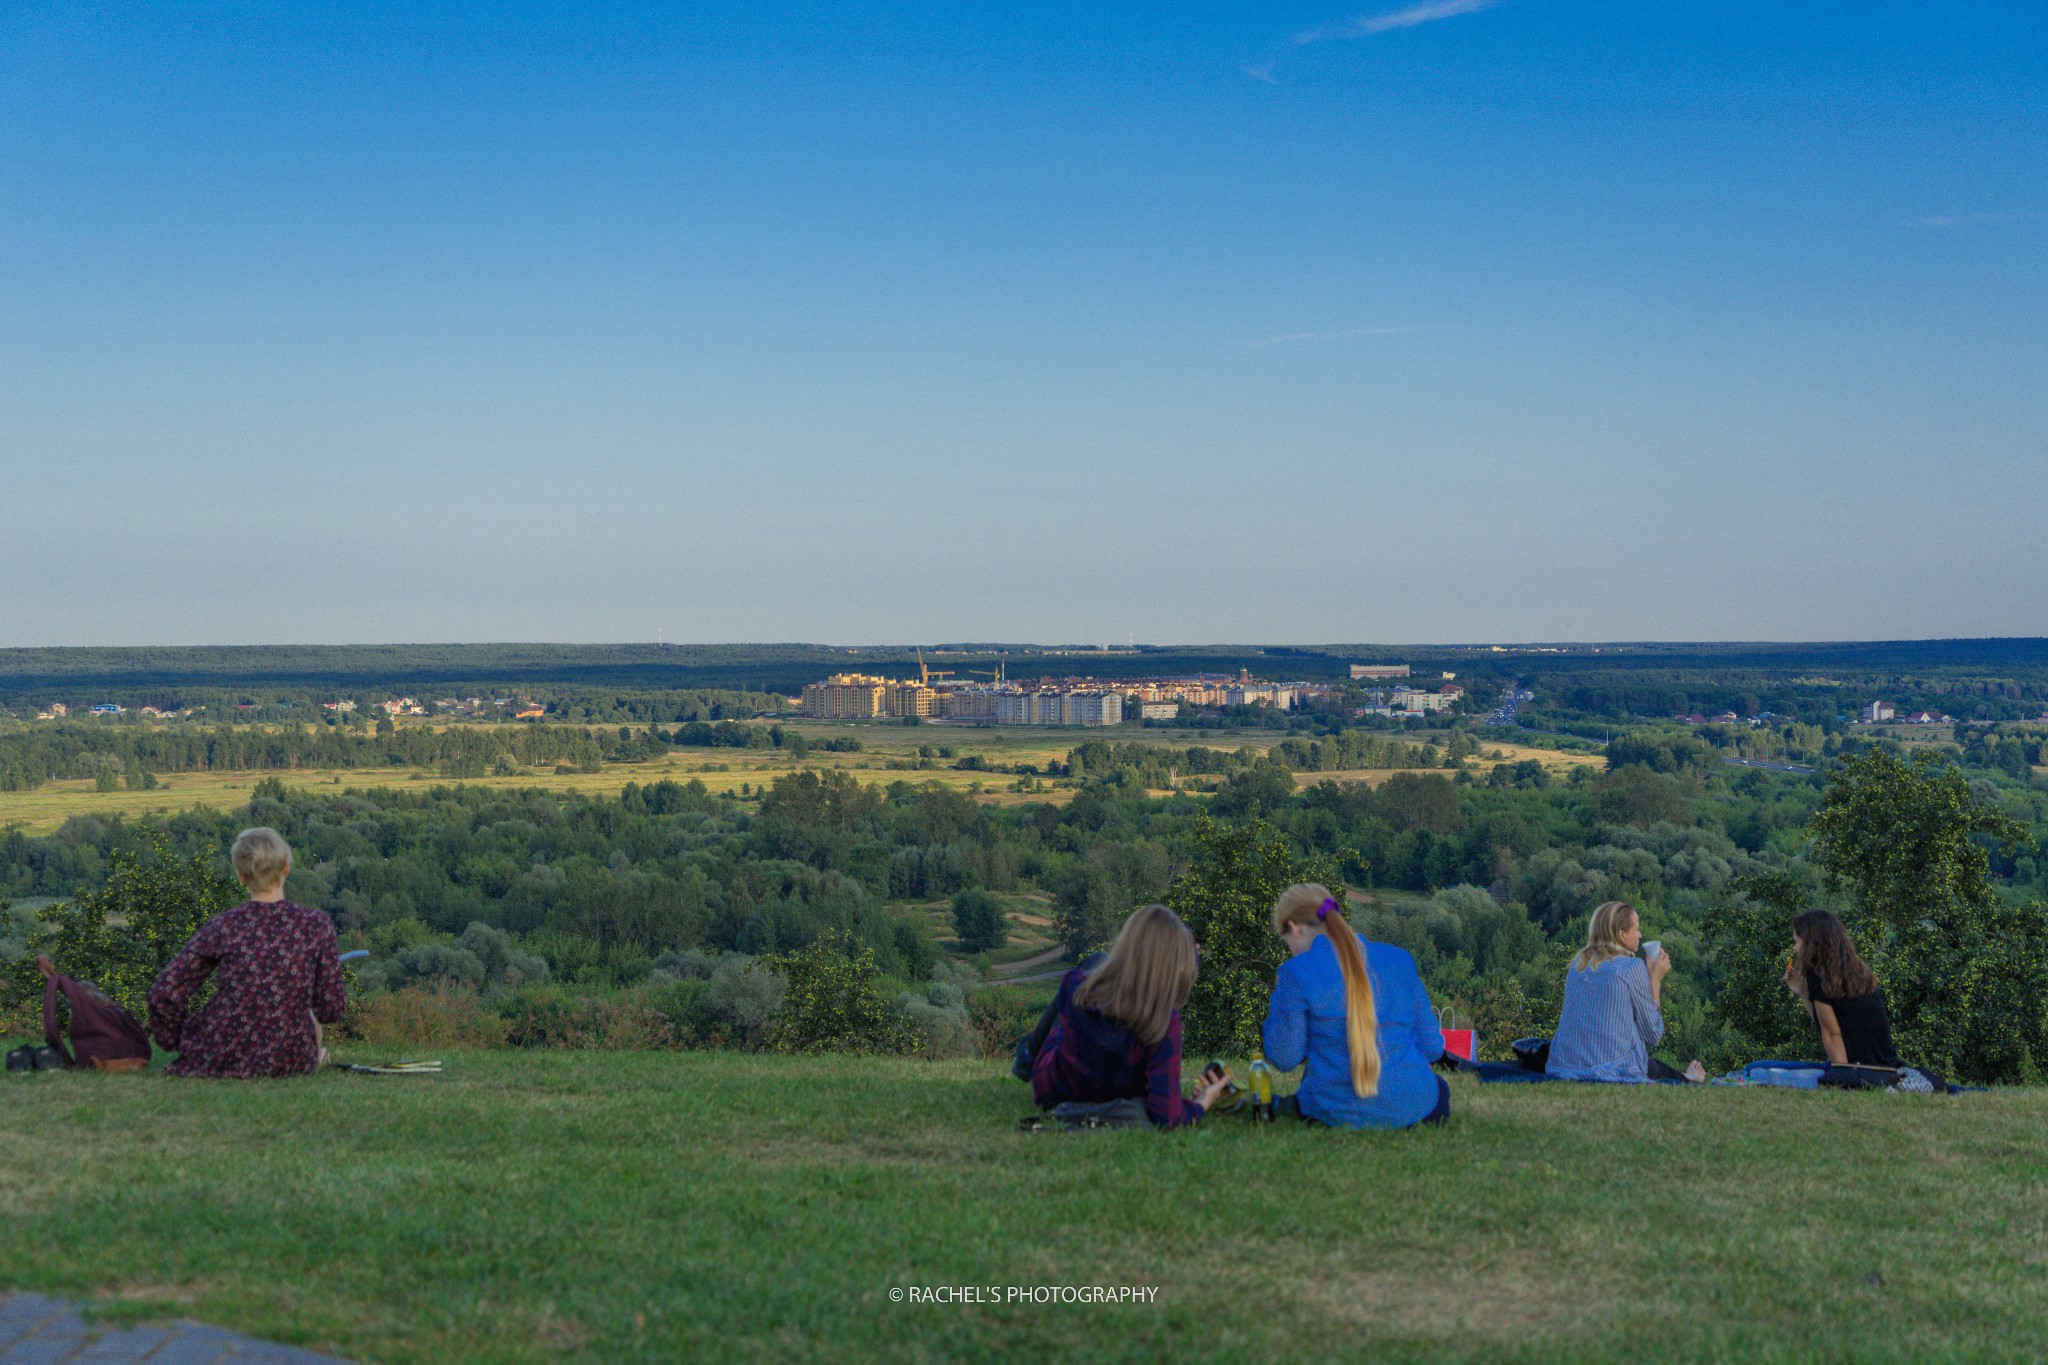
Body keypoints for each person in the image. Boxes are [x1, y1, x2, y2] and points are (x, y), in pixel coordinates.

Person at [148, 828, 347, 1079]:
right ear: (286, 867)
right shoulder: (315, 924)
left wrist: (176, 1040)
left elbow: (165, 990)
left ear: (240, 875)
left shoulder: (224, 926)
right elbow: (332, 1007)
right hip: (290, 1058)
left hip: (220, 1054)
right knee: (307, 1013)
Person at [1261, 883, 1449, 1128]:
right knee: (1440, 1087)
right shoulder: (1400, 960)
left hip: (1331, 1113)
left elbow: (1284, 1058)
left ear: (1294, 929)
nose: (1290, 950)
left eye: (1286, 941)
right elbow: (1433, 1047)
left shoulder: (1295, 973)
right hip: (1419, 1110)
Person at [1031, 905, 1230, 1128]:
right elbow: (1168, 1117)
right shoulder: (1164, 1023)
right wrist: (1203, 1102)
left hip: (1052, 1090)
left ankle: (1027, 1055)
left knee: (1094, 966)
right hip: (1097, 1087)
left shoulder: (1074, 983)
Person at [1546, 901, 1704, 1084]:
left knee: (1650, 1062)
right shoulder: (1631, 967)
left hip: (1563, 1066)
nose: (1640, 935)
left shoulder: (1577, 965)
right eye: (1636, 929)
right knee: (1645, 1062)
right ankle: (1689, 1079)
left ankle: (1685, 1077)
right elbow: (1653, 1033)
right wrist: (1655, 980)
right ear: (1622, 934)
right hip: (1610, 1070)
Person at [1784, 909, 1899, 1069]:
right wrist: (1803, 992)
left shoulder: (1817, 973)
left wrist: (1843, 1079)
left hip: (1861, 1071)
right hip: (1887, 1067)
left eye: (1797, 941)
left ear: (1811, 943)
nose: (1795, 948)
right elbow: (1825, 1024)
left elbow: (1832, 1035)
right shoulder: (1855, 970)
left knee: (1756, 1068)